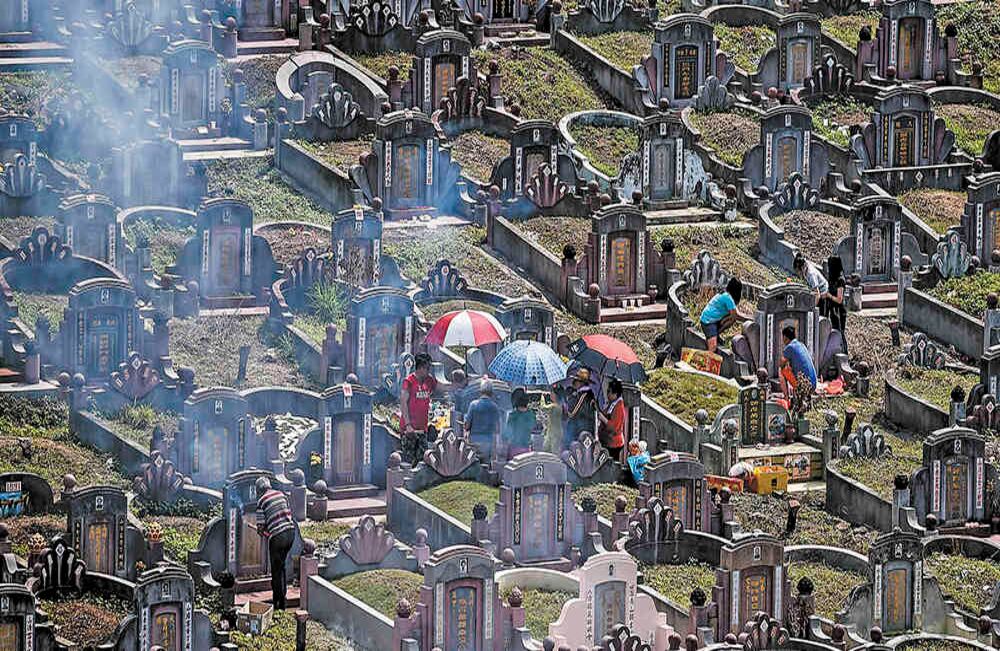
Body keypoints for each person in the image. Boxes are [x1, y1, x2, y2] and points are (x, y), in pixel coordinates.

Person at [252, 477, 296, 610]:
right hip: (291, 533)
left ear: (259, 490)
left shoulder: (261, 501)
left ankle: (278, 603)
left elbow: (261, 528)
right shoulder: (280, 494)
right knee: (281, 567)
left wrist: (263, 532)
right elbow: (286, 515)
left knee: (276, 571)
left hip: (278, 537)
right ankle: (282, 599)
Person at [400, 353, 437, 465]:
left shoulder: (429, 381)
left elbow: (442, 388)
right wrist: (408, 425)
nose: (429, 370)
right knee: (409, 463)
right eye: (427, 368)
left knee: (422, 462)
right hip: (409, 431)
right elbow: (403, 403)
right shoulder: (409, 381)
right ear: (421, 367)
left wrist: (458, 385)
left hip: (422, 430)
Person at [699, 278, 747, 353]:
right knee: (713, 347)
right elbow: (736, 316)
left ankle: (715, 335)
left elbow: (735, 314)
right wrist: (752, 319)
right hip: (708, 321)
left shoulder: (726, 295)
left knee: (732, 319)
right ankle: (706, 362)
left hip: (714, 320)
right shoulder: (728, 298)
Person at [555, 368, 596, 449]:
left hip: (580, 431)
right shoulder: (580, 394)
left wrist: (565, 401)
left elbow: (571, 412)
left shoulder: (584, 396)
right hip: (580, 430)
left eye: (576, 380)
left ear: (581, 383)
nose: (573, 381)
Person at [464, 380, 501, 458]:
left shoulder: (473, 405)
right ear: (491, 393)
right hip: (488, 443)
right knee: (486, 467)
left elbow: (467, 426)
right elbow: (497, 429)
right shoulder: (495, 407)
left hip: (474, 442)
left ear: (480, 391)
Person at [779, 325, 818, 397]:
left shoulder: (789, 347)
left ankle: (786, 398)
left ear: (785, 337)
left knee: (782, 371)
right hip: (814, 385)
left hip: (804, 386)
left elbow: (781, 365)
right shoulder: (802, 345)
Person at [597, 378, 626, 462]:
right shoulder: (612, 403)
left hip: (614, 443)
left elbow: (614, 427)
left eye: (609, 392)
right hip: (607, 441)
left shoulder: (619, 407)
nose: (607, 394)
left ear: (615, 394)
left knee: (611, 466)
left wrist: (602, 418)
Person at [503, 389, 536, 459]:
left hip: (514, 450)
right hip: (527, 450)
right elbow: (532, 428)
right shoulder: (531, 414)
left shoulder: (512, 415)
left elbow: (507, 434)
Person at [821, 255, 847, 335]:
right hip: (832, 309)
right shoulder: (832, 278)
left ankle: (843, 347)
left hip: (838, 311)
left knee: (839, 333)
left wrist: (829, 296)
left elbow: (839, 299)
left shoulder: (840, 280)